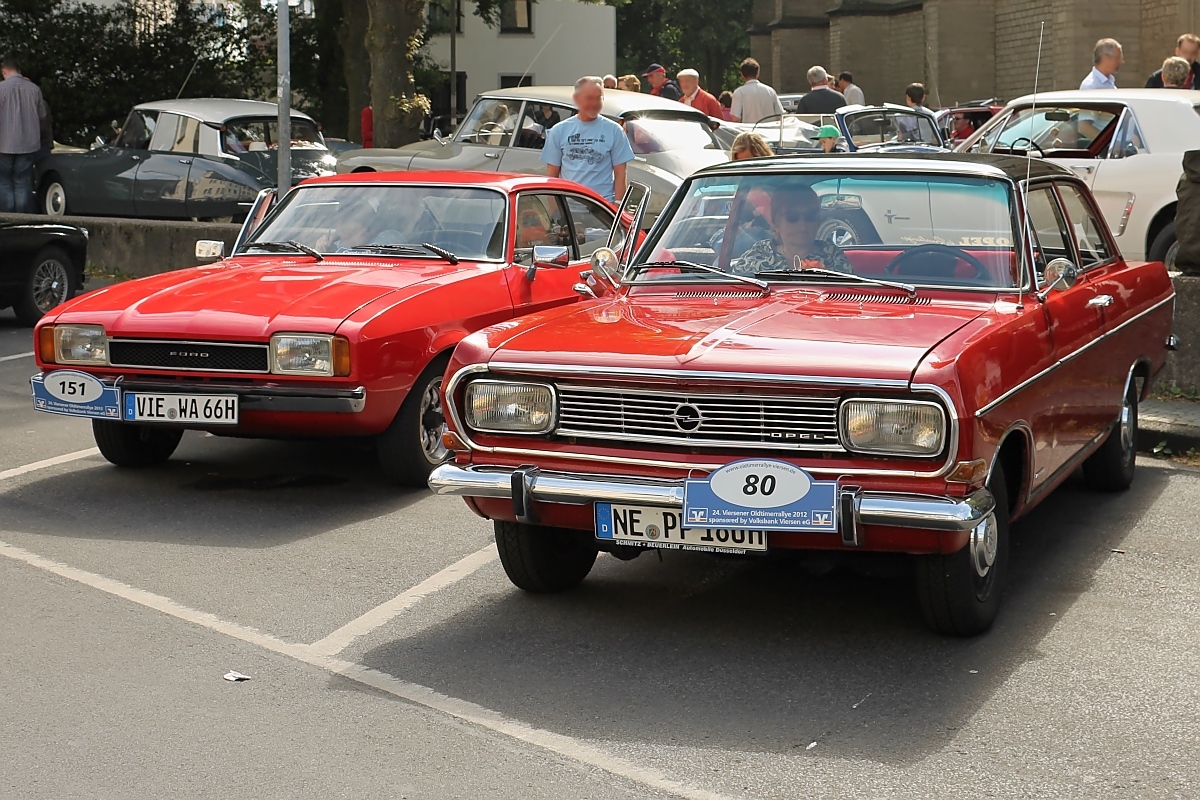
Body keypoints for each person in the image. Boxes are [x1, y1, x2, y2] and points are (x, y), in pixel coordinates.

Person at [542, 76, 635, 202]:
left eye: (598, 98)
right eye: (589, 98)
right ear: (577, 99)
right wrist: (555, 212)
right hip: (569, 207)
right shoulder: (558, 131)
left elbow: (620, 173)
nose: (594, 103)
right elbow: (552, 177)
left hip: (602, 208)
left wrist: (617, 207)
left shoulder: (614, 130)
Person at [730, 182, 852, 275]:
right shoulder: (757, 256)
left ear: (818, 222)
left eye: (810, 217)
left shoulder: (832, 256)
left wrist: (826, 278)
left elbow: (849, 299)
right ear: (775, 223)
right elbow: (735, 294)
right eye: (792, 218)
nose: (802, 225)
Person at [0, 59, 49, 214]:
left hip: (4, 144)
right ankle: (22, 216)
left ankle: (8, 218)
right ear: (19, 71)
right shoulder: (34, 89)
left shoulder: (1, 89)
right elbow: (42, 115)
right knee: (22, 182)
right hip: (28, 144)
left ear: (4, 71)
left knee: (5, 182)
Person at [730, 58, 784, 123]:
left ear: (742, 75)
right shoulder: (770, 91)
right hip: (769, 131)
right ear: (758, 73)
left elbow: (735, 119)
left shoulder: (739, 92)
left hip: (749, 131)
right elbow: (780, 115)